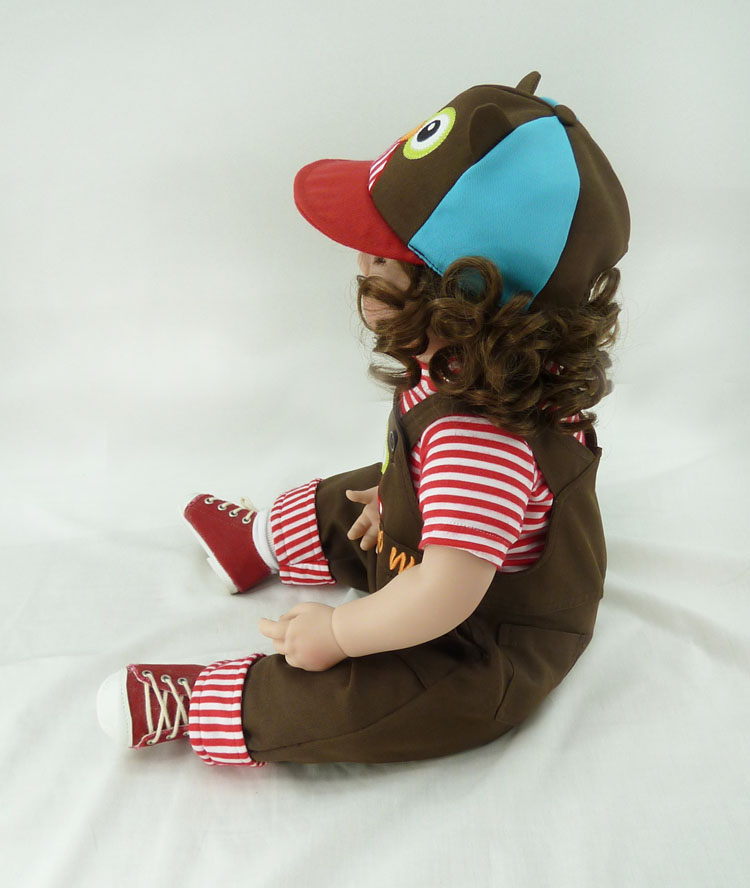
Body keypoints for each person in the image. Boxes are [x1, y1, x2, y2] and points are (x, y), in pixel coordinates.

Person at [97, 71, 629, 767]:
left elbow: (445, 595)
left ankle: (214, 704)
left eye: (380, 256)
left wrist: (340, 633)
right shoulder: (459, 369)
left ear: (461, 300)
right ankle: (256, 543)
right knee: (353, 493)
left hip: (482, 631)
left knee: (395, 699)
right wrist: (397, 498)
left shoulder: (481, 441)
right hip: (439, 554)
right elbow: (434, 482)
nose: (357, 263)